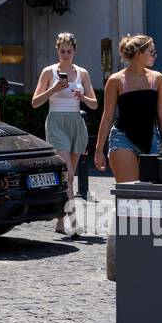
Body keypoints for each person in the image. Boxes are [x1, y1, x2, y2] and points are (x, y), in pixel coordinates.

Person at [33, 32, 98, 237]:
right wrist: (53, 89)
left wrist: (83, 96)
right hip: (56, 122)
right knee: (69, 174)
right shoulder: (49, 72)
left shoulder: (82, 73)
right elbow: (35, 102)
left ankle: (60, 221)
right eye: (62, 51)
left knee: (68, 176)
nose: (66, 54)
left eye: (69, 51)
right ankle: (74, 222)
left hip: (76, 122)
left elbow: (94, 104)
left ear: (75, 51)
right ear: (57, 50)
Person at [94, 35, 162, 183]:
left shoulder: (157, 78)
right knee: (130, 195)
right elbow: (107, 117)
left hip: (151, 139)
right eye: (152, 52)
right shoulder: (116, 80)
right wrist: (98, 151)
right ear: (139, 54)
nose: (155, 56)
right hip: (122, 139)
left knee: (152, 195)